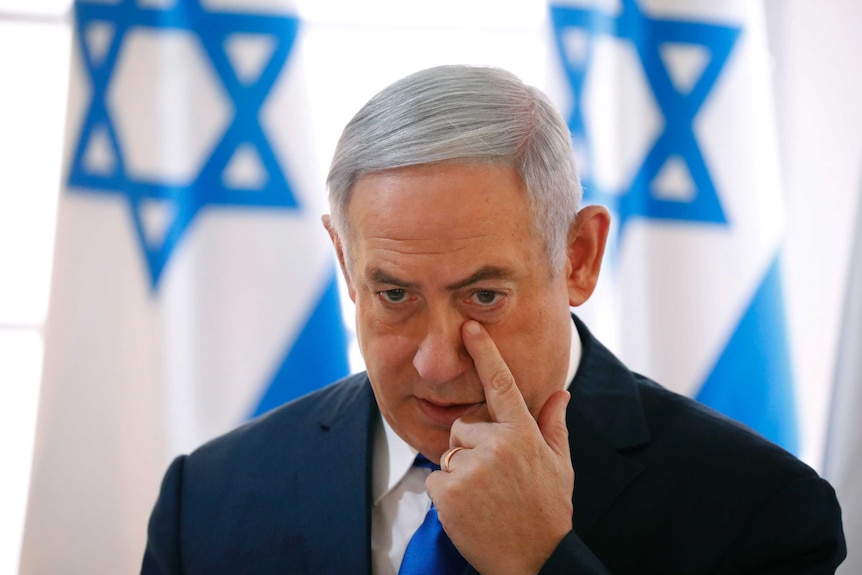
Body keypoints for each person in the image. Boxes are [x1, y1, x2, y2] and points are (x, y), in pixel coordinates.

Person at [141, 65, 845, 574]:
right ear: (345, 260)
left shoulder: (764, 511)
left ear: (578, 256)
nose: (438, 362)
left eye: (483, 297)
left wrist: (542, 562)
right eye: (394, 295)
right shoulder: (206, 500)